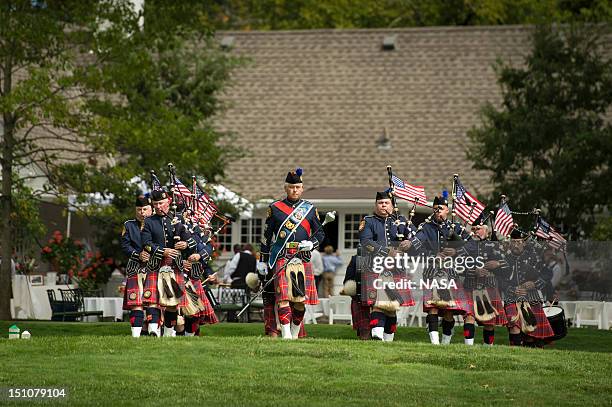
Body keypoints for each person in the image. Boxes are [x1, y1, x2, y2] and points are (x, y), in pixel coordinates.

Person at [258, 167, 324, 339]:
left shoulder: (309, 209)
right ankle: (286, 334)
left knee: (300, 301)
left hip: (302, 257)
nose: (295, 190)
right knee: (283, 297)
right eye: (291, 187)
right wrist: (263, 261)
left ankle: (294, 334)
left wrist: (312, 243)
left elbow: (321, 233)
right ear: (286, 188)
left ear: (302, 189)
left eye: (298, 187)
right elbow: (266, 237)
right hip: (282, 255)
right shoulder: (275, 208)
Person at [412, 195, 474, 345]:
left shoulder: (455, 228)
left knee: (448, 311)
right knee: (433, 307)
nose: (438, 212)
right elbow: (415, 245)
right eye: (435, 209)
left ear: (447, 210)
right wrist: (433, 255)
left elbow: (472, 245)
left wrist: (456, 252)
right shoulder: (425, 228)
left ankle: (445, 343)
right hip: (431, 273)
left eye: (441, 209)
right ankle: (435, 343)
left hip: (451, 274)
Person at [359, 190, 415, 342]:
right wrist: (386, 252)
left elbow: (417, 239)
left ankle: (388, 340)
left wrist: (409, 243)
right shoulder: (368, 221)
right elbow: (366, 242)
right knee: (378, 304)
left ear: (392, 205)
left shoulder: (402, 221)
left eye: (386, 203)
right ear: (376, 205)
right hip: (376, 268)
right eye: (380, 203)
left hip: (397, 269)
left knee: (392, 307)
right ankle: (377, 337)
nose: (383, 205)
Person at [141, 189, 194, 337]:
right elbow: (146, 243)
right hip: (156, 265)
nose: (158, 206)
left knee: (172, 303)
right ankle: (153, 331)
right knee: (153, 300)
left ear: (168, 202)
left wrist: (185, 244)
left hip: (174, 266)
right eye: (156, 203)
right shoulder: (149, 222)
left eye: (161, 203)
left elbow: (191, 240)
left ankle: (168, 334)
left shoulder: (177, 220)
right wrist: (162, 251)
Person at [498, 229, 555, 347]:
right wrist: (511, 289)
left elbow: (547, 273)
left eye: (519, 242)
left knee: (533, 331)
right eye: (513, 242)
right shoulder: (504, 258)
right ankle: (515, 352)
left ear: (524, 243)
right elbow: (499, 279)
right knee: (514, 325)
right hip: (512, 298)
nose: (516, 245)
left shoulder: (534, 257)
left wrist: (535, 284)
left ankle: (533, 352)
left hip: (532, 297)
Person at [461, 220, 507, 345]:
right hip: (470, 285)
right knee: (469, 317)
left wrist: (497, 264)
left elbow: (508, 264)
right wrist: (473, 271)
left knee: (489, 321)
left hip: (489, 285)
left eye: (479, 228)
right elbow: (457, 265)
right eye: (474, 228)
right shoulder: (466, 246)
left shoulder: (494, 245)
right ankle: (468, 347)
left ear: (487, 232)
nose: (475, 231)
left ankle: (488, 347)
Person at [120, 195, 152, 337]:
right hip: (135, 267)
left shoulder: (158, 223)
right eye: (139, 209)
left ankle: (154, 332)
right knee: (136, 301)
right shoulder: (129, 225)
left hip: (154, 267)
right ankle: (136, 336)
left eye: (145, 209)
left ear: (150, 209)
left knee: (153, 302)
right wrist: (137, 254)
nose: (142, 212)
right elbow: (125, 246)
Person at [341, 254, 370, 340]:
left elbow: (347, 279)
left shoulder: (355, 258)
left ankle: (365, 336)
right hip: (361, 297)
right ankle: (365, 337)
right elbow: (348, 280)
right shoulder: (355, 259)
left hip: (365, 297)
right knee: (364, 328)